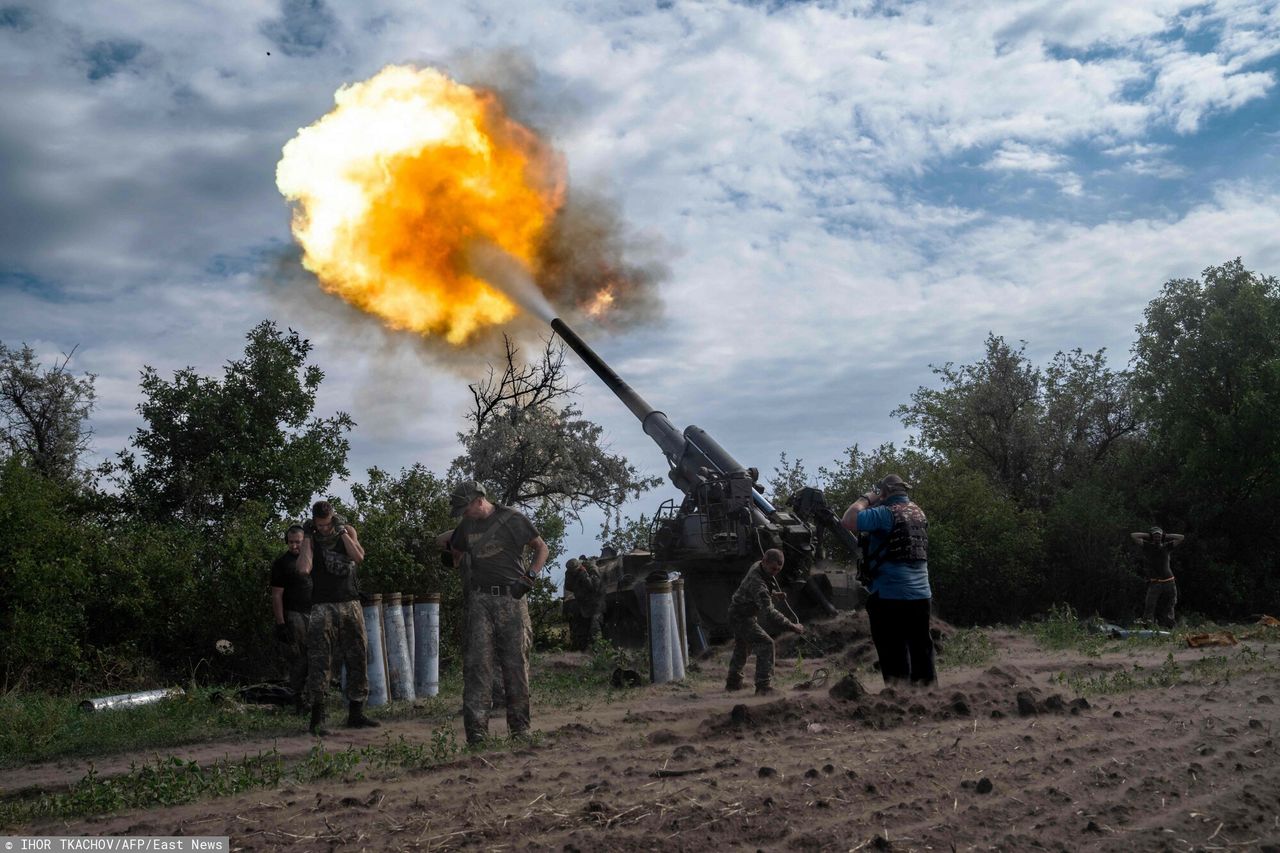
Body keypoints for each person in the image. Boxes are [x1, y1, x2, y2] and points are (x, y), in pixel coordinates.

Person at [448, 481, 549, 744]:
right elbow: (455, 551)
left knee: (515, 665)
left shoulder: (512, 519)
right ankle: (477, 735)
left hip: (511, 599)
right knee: (477, 667)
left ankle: (520, 730)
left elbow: (541, 548)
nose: (463, 514)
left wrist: (530, 577)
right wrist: (456, 560)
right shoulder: (466, 526)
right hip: (479, 600)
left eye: (465, 508)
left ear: (478, 500)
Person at [841, 474, 936, 687]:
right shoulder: (918, 513)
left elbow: (848, 520)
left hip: (890, 595)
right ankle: (930, 700)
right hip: (921, 595)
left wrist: (865, 498)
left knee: (893, 651)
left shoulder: (884, 514)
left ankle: (898, 702)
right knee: (921, 649)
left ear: (884, 493)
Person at [297, 500, 379, 735]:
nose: (324, 528)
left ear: (333, 517)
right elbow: (303, 569)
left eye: (327, 524)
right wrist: (308, 538)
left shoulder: (347, 530)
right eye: (319, 525)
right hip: (322, 605)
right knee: (320, 660)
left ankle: (356, 712)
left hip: (350, 602)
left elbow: (359, 557)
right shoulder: (311, 536)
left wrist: (342, 532)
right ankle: (318, 717)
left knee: (358, 655)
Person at [725, 548, 805, 696]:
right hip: (741, 617)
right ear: (764, 561)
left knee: (743, 648)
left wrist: (773, 594)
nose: (775, 573)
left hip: (739, 613)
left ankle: (733, 683)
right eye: (773, 569)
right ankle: (763, 686)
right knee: (766, 643)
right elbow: (769, 613)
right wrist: (792, 626)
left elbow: (755, 592)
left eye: (778, 569)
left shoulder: (758, 566)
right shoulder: (758, 583)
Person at [270, 524, 311, 713]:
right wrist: (281, 624)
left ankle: (316, 699)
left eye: (298, 542)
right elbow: (277, 595)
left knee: (317, 658)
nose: (295, 546)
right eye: (291, 542)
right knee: (298, 659)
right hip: (294, 615)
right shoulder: (281, 563)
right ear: (287, 542)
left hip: (316, 612)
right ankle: (300, 701)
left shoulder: (312, 559)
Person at [1130, 526, 1185, 628]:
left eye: (1159, 536)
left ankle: (1170, 628)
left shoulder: (1167, 546)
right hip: (1155, 583)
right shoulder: (1148, 546)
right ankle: (1148, 627)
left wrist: (1165, 536)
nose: (1157, 538)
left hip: (1169, 582)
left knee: (1170, 606)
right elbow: (1133, 535)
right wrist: (1148, 536)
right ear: (1152, 537)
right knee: (1149, 607)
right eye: (1155, 536)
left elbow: (1181, 537)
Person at [564, 555, 604, 651]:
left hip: (595, 601)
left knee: (595, 627)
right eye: (571, 572)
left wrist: (584, 576)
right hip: (583, 602)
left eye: (574, 571)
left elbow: (595, 587)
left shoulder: (591, 568)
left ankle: (598, 650)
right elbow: (568, 586)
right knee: (581, 629)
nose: (573, 573)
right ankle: (583, 650)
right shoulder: (569, 572)